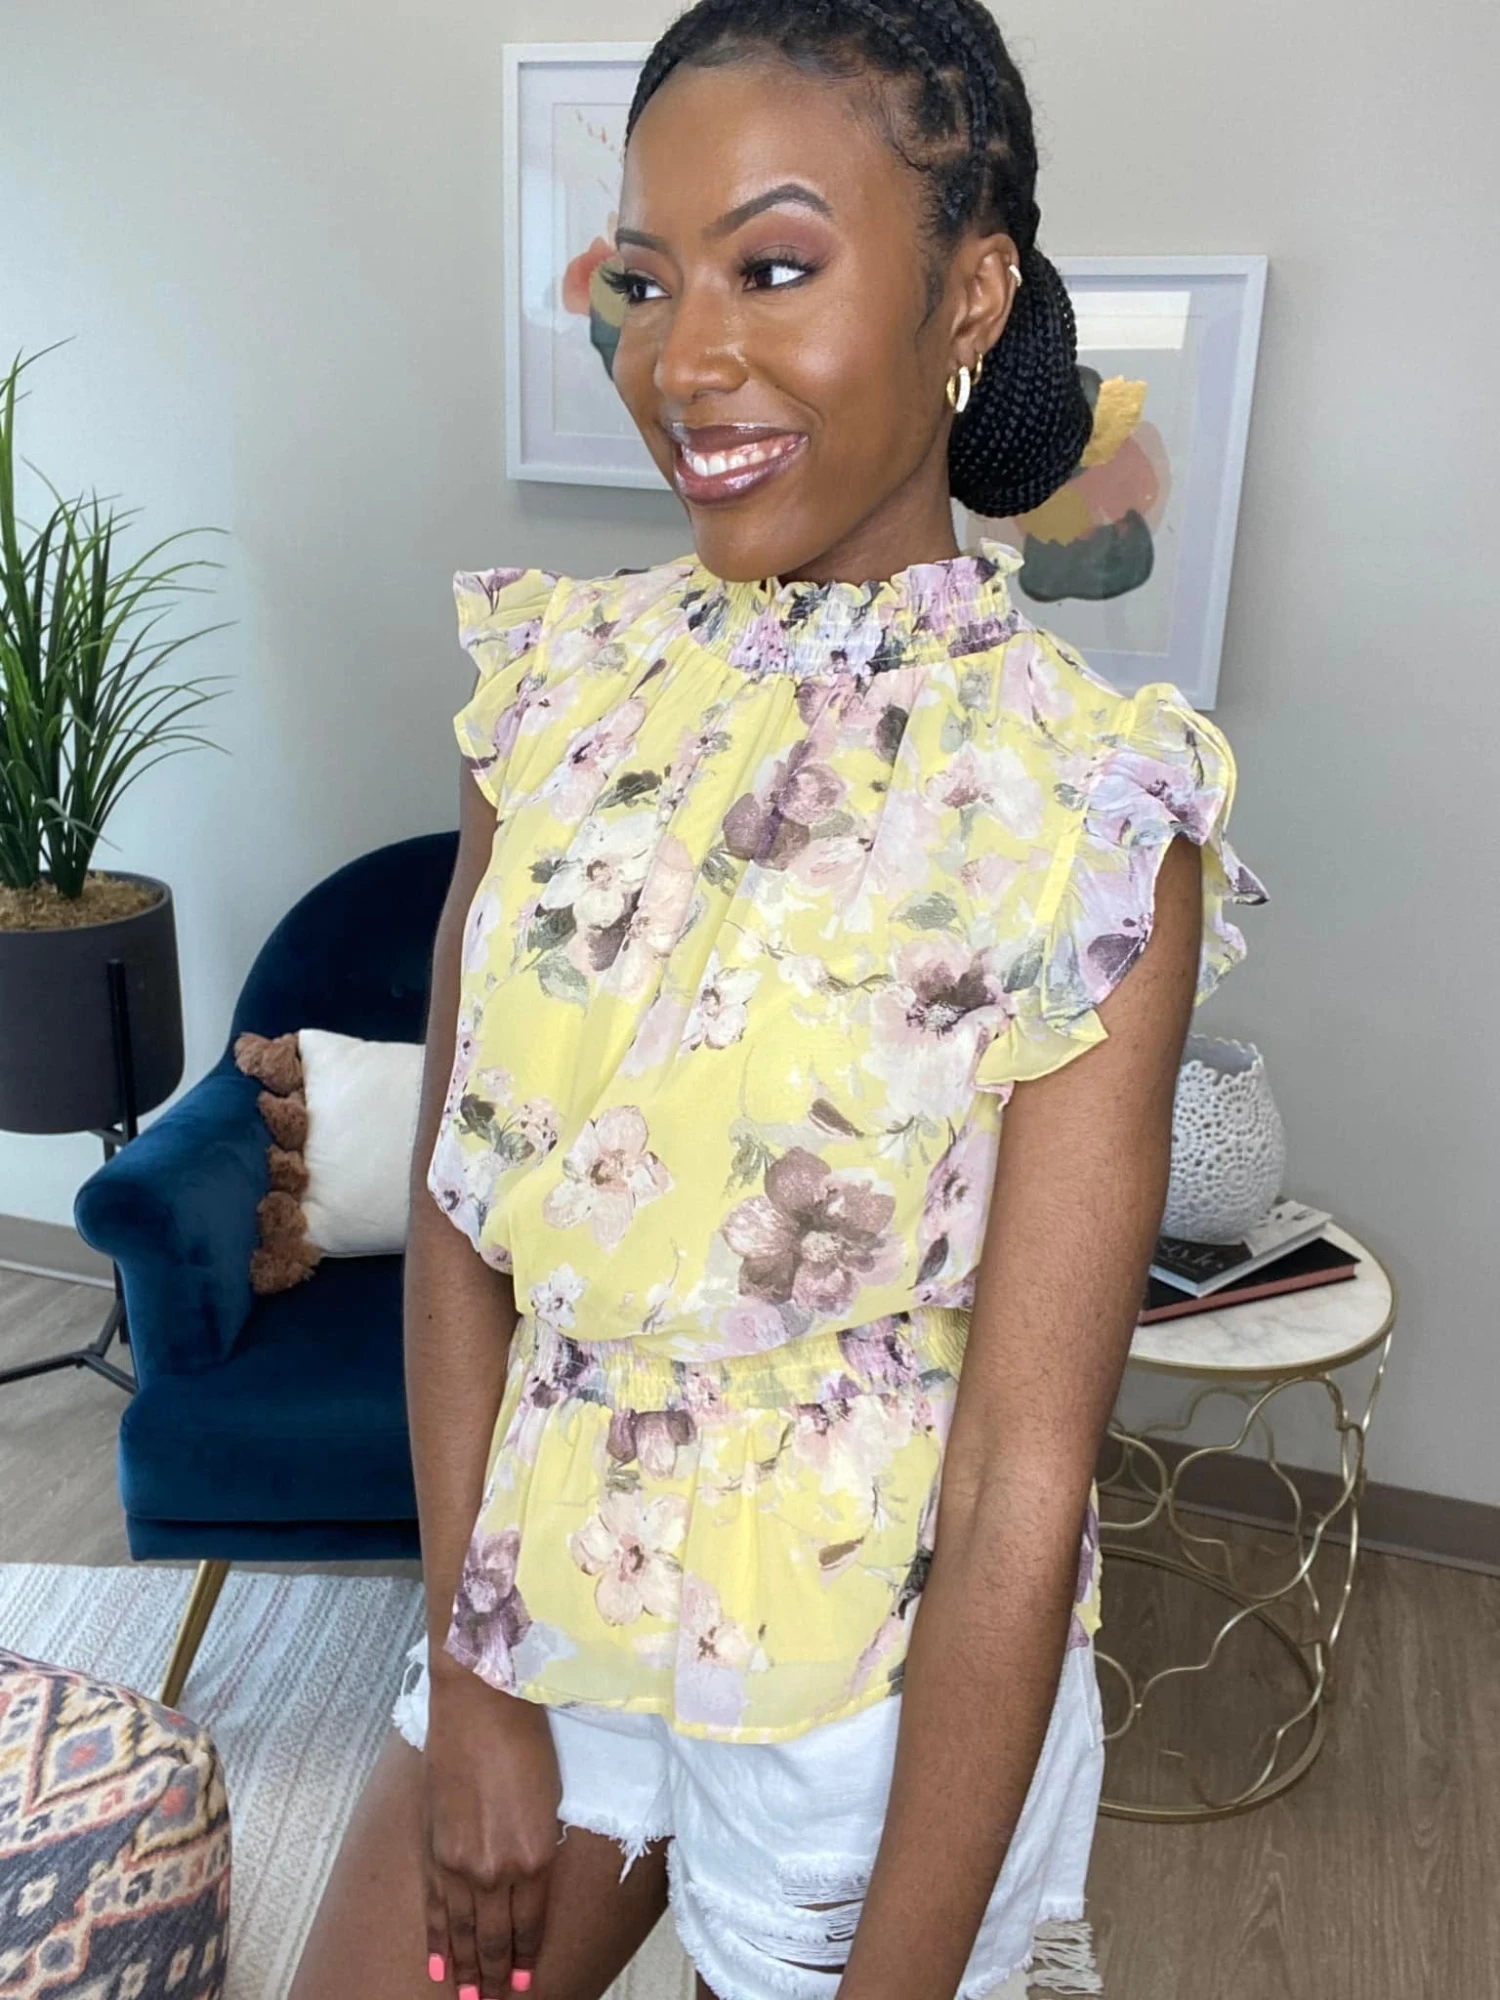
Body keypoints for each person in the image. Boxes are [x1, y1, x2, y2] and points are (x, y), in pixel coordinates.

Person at [292, 5, 1266, 1998]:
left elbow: (1017, 1482)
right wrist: (473, 1683)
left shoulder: (1094, 814)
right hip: (541, 1595)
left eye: (776, 266)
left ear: (968, 294)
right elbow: (466, 1225)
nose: (686, 359)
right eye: (649, 281)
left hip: (870, 1703)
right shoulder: (550, 697)